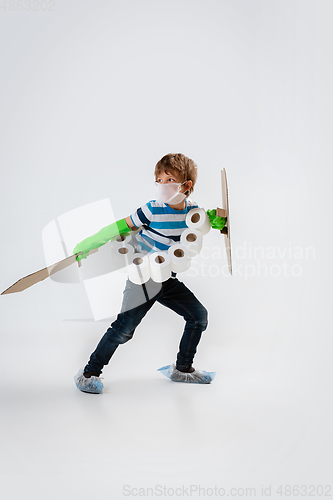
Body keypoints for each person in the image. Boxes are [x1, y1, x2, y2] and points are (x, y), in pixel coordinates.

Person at [73, 153, 225, 394]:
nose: (163, 185)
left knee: (198, 317)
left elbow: (206, 223)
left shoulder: (193, 211)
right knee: (124, 330)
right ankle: (89, 373)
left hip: (167, 278)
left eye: (170, 179)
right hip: (143, 278)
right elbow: (120, 227)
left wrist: (218, 222)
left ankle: (183, 369)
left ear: (187, 186)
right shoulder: (151, 209)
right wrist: (89, 244)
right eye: (159, 180)